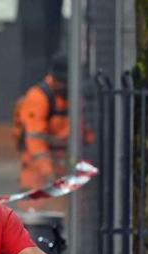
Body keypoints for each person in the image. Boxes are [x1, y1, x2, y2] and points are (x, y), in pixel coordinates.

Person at [15, 54, 93, 189]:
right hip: (38, 174)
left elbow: (86, 134)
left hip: (65, 171)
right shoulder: (38, 97)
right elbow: (35, 142)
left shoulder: (74, 97)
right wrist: (48, 172)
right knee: (35, 208)